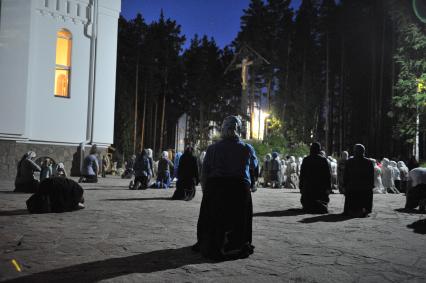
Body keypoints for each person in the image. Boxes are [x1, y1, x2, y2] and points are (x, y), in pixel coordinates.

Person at [193, 115, 258, 260]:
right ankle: (237, 243)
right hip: (239, 189)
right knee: (239, 217)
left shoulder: (212, 149)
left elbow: (205, 172)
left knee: (214, 217)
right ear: (239, 130)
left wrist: (205, 191)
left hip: (216, 188)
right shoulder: (247, 148)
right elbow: (254, 167)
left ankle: (211, 241)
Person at [343, 144, 374, 217]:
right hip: (364, 187)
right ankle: (364, 210)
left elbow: (346, 175)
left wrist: (344, 185)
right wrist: (371, 185)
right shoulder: (368, 162)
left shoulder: (349, 161)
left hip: (352, 187)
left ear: (354, 151)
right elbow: (371, 177)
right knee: (366, 195)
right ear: (363, 151)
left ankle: (350, 210)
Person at [299, 142, 331, 214]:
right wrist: (328, 187)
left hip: (308, 187)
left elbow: (302, 175)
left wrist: (301, 186)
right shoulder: (323, 160)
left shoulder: (306, 159)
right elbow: (327, 175)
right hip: (320, 187)